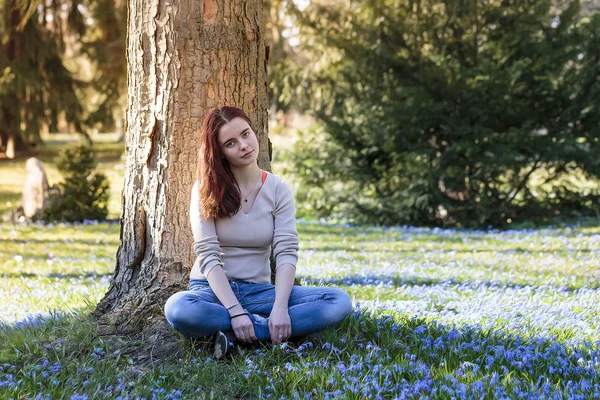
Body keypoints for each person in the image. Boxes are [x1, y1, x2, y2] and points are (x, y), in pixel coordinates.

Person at [164, 106, 353, 358]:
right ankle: (260, 329)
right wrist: (234, 310)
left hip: (259, 292)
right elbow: (208, 255)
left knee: (338, 302)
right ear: (219, 152)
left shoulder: (278, 189)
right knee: (178, 308)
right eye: (230, 143)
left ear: (255, 132)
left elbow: (286, 252)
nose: (243, 145)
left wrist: (280, 307)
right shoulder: (205, 189)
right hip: (211, 293)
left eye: (246, 134)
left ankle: (239, 334)